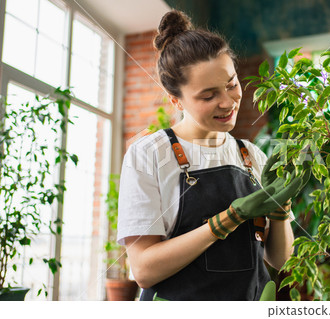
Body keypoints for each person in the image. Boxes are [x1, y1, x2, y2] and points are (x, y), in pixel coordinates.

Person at [117, 10, 307, 301]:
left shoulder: (251, 155)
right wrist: (229, 219)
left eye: (232, 84)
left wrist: (280, 211)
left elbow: (280, 261)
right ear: (175, 100)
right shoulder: (149, 154)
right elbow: (143, 269)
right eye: (208, 96)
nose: (228, 102)